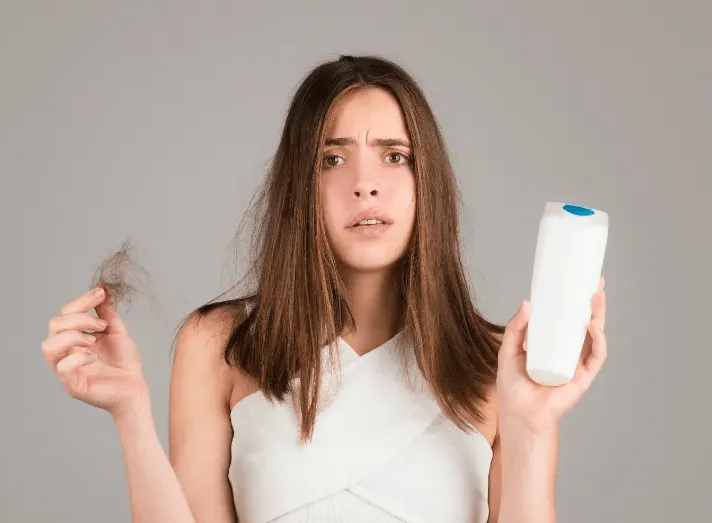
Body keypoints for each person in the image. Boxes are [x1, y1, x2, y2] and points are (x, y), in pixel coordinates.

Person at [41, 54, 607, 523]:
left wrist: (532, 424)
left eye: (394, 156)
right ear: (299, 186)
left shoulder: (498, 364)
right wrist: (131, 415)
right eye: (332, 159)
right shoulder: (221, 346)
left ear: (425, 181)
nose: (365, 185)